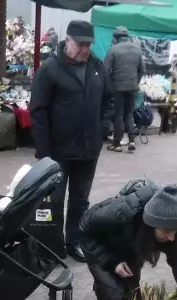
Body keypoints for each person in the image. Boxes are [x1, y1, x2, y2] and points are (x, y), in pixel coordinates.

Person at [30, 20, 113, 263]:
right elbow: (38, 111)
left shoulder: (97, 67)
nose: (85, 49)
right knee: (53, 201)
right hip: (58, 151)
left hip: (89, 149)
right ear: (68, 41)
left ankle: (74, 241)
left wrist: (102, 129)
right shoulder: (50, 69)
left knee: (80, 199)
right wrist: (43, 151)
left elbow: (108, 100)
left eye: (88, 44)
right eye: (80, 44)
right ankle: (51, 246)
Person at [104, 26, 144, 153]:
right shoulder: (137, 49)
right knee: (129, 113)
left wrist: (109, 86)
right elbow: (142, 70)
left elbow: (105, 70)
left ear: (116, 38)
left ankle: (117, 144)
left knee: (118, 115)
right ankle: (132, 140)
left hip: (118, 88)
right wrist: (135, 82)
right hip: (132, 87)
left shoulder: (113, 49)